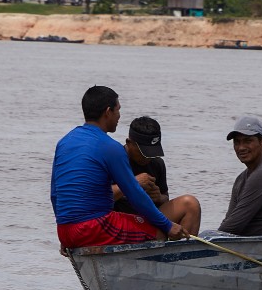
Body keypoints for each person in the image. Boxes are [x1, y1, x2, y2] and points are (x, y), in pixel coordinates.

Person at [52, 86, 202, 249]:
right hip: (93, 227)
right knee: (158, 232)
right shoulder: (110, 146)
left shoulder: (64, 142)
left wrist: (65, 233)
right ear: (108, 112)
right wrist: (167, 226)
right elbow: (134, 193)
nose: (119, 116)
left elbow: (55, 194)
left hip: (64, 230)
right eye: (118, 110)